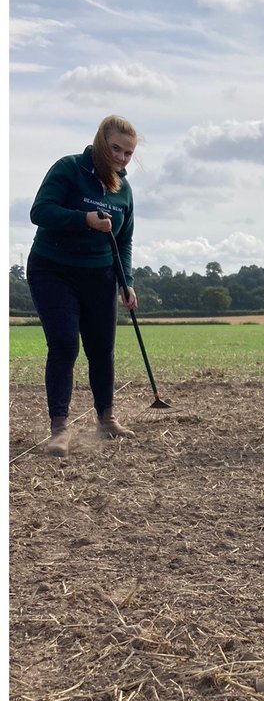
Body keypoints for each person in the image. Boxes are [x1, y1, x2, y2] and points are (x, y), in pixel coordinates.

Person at [28, 115, 140, 458]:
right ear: (100, 142)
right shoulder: (69, 169)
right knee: (64, 344)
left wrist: (127, 282)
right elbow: (40, 212)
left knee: (101, 348)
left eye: (128, 153)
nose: (121, 158)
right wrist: (84, 220)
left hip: (99, 275)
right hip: (53, 270)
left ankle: (106, 419)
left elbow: (124, 240)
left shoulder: (123, 189)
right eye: (115, 149)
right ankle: (59, 429)